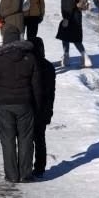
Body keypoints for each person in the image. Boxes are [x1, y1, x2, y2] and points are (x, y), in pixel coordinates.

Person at [0, 29, 44, 183]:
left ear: (5, 40)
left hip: (4, 105)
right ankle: (25, 174)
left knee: (7, 140)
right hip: (25, 104)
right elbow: (36, 85)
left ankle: (11, 175)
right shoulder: (29, 58)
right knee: (26, 139)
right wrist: (38, 105)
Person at [29, 37, 56, 178]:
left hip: (30, 106)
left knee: (28, 138)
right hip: (45, 107)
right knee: (40, 139)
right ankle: (40, 168)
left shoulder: (28, 64)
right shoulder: (49, 66)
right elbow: (51, 91)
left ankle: (27, 166)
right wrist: (49, 110)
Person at [56, 0, 91, 68]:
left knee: (70, 37)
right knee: (70, 36)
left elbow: (70, 3)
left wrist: (66, 18)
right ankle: (75, 57)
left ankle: (79, 57)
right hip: (76, 15)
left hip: (71, 16)